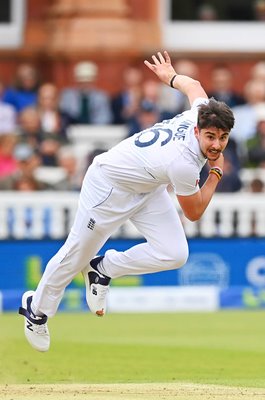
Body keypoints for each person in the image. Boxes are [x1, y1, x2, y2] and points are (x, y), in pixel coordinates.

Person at [18, 51, 234, 352]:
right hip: (109, 185)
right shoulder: (184, 163)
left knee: (174, 253)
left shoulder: (198, 112)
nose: (216, 144)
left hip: (147, 186)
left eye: (223, 138)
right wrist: (216, 173)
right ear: (197, 130)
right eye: (210, 137)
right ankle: (36, 310)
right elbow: (195, 211)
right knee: (75, 254)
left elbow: (195, 86)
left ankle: (104, 268)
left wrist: (171, 77)